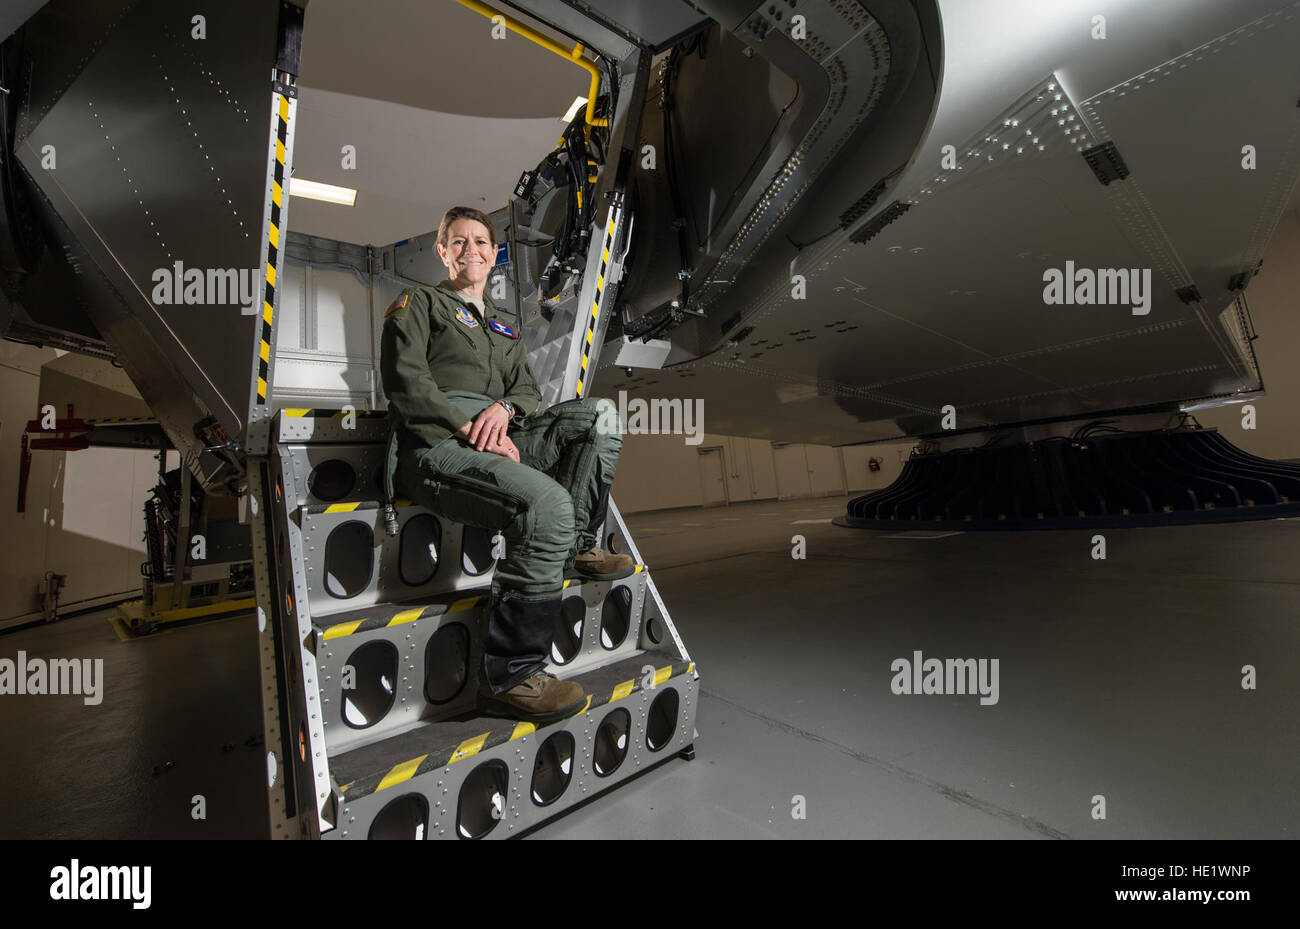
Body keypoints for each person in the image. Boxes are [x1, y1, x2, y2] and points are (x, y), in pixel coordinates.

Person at [380, 205, 635, 725]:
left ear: (494, 254)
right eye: (458, 241)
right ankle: (510, 679)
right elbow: (408, 383)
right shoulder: (419, 303)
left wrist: (505, 410)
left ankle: (578, 547)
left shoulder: (504, 326)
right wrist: (470, 426)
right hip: (436, 444)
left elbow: (526, 387)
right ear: (442, 251)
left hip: (505, 433)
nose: (470, 248)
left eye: (480, 241)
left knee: (603, 417)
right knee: (545, 505)